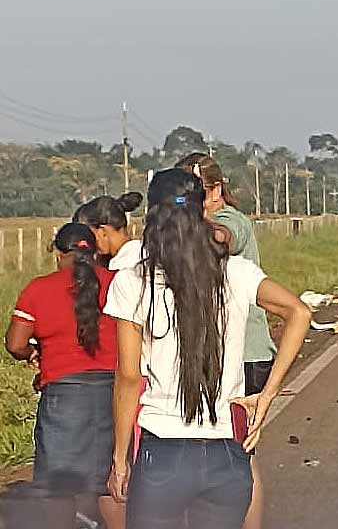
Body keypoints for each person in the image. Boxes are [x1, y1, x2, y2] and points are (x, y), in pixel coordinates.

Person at [104, 169, 312, 528]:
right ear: (204, 212)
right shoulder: (236, 272)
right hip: (226, 456)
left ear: (151, 216)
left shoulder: (132, 280)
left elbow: (127, 377)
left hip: (162, 452)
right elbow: (299, 311)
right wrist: (267, 395)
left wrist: (120, 459)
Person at [176, 153, 275, 529]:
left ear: (215, 190)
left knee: (240, 458)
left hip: (244, 357)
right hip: (215, 355)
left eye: (194, 191)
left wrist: (185, 215)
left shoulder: (230, 220)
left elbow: (222, 239)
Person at [5, 224, 125, 528]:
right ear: (95, 251)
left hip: (63, 397)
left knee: (57, 488)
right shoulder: (117, 283)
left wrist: (34, 355)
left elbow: (15, 343)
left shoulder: (38, 289)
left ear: (58, 253)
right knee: (110, 482)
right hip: (115, 393)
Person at [73, 192, 145, 270]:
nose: (89, 245)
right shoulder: (146, 253)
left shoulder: (121, 266)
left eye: (89, 237)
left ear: (103, 232)